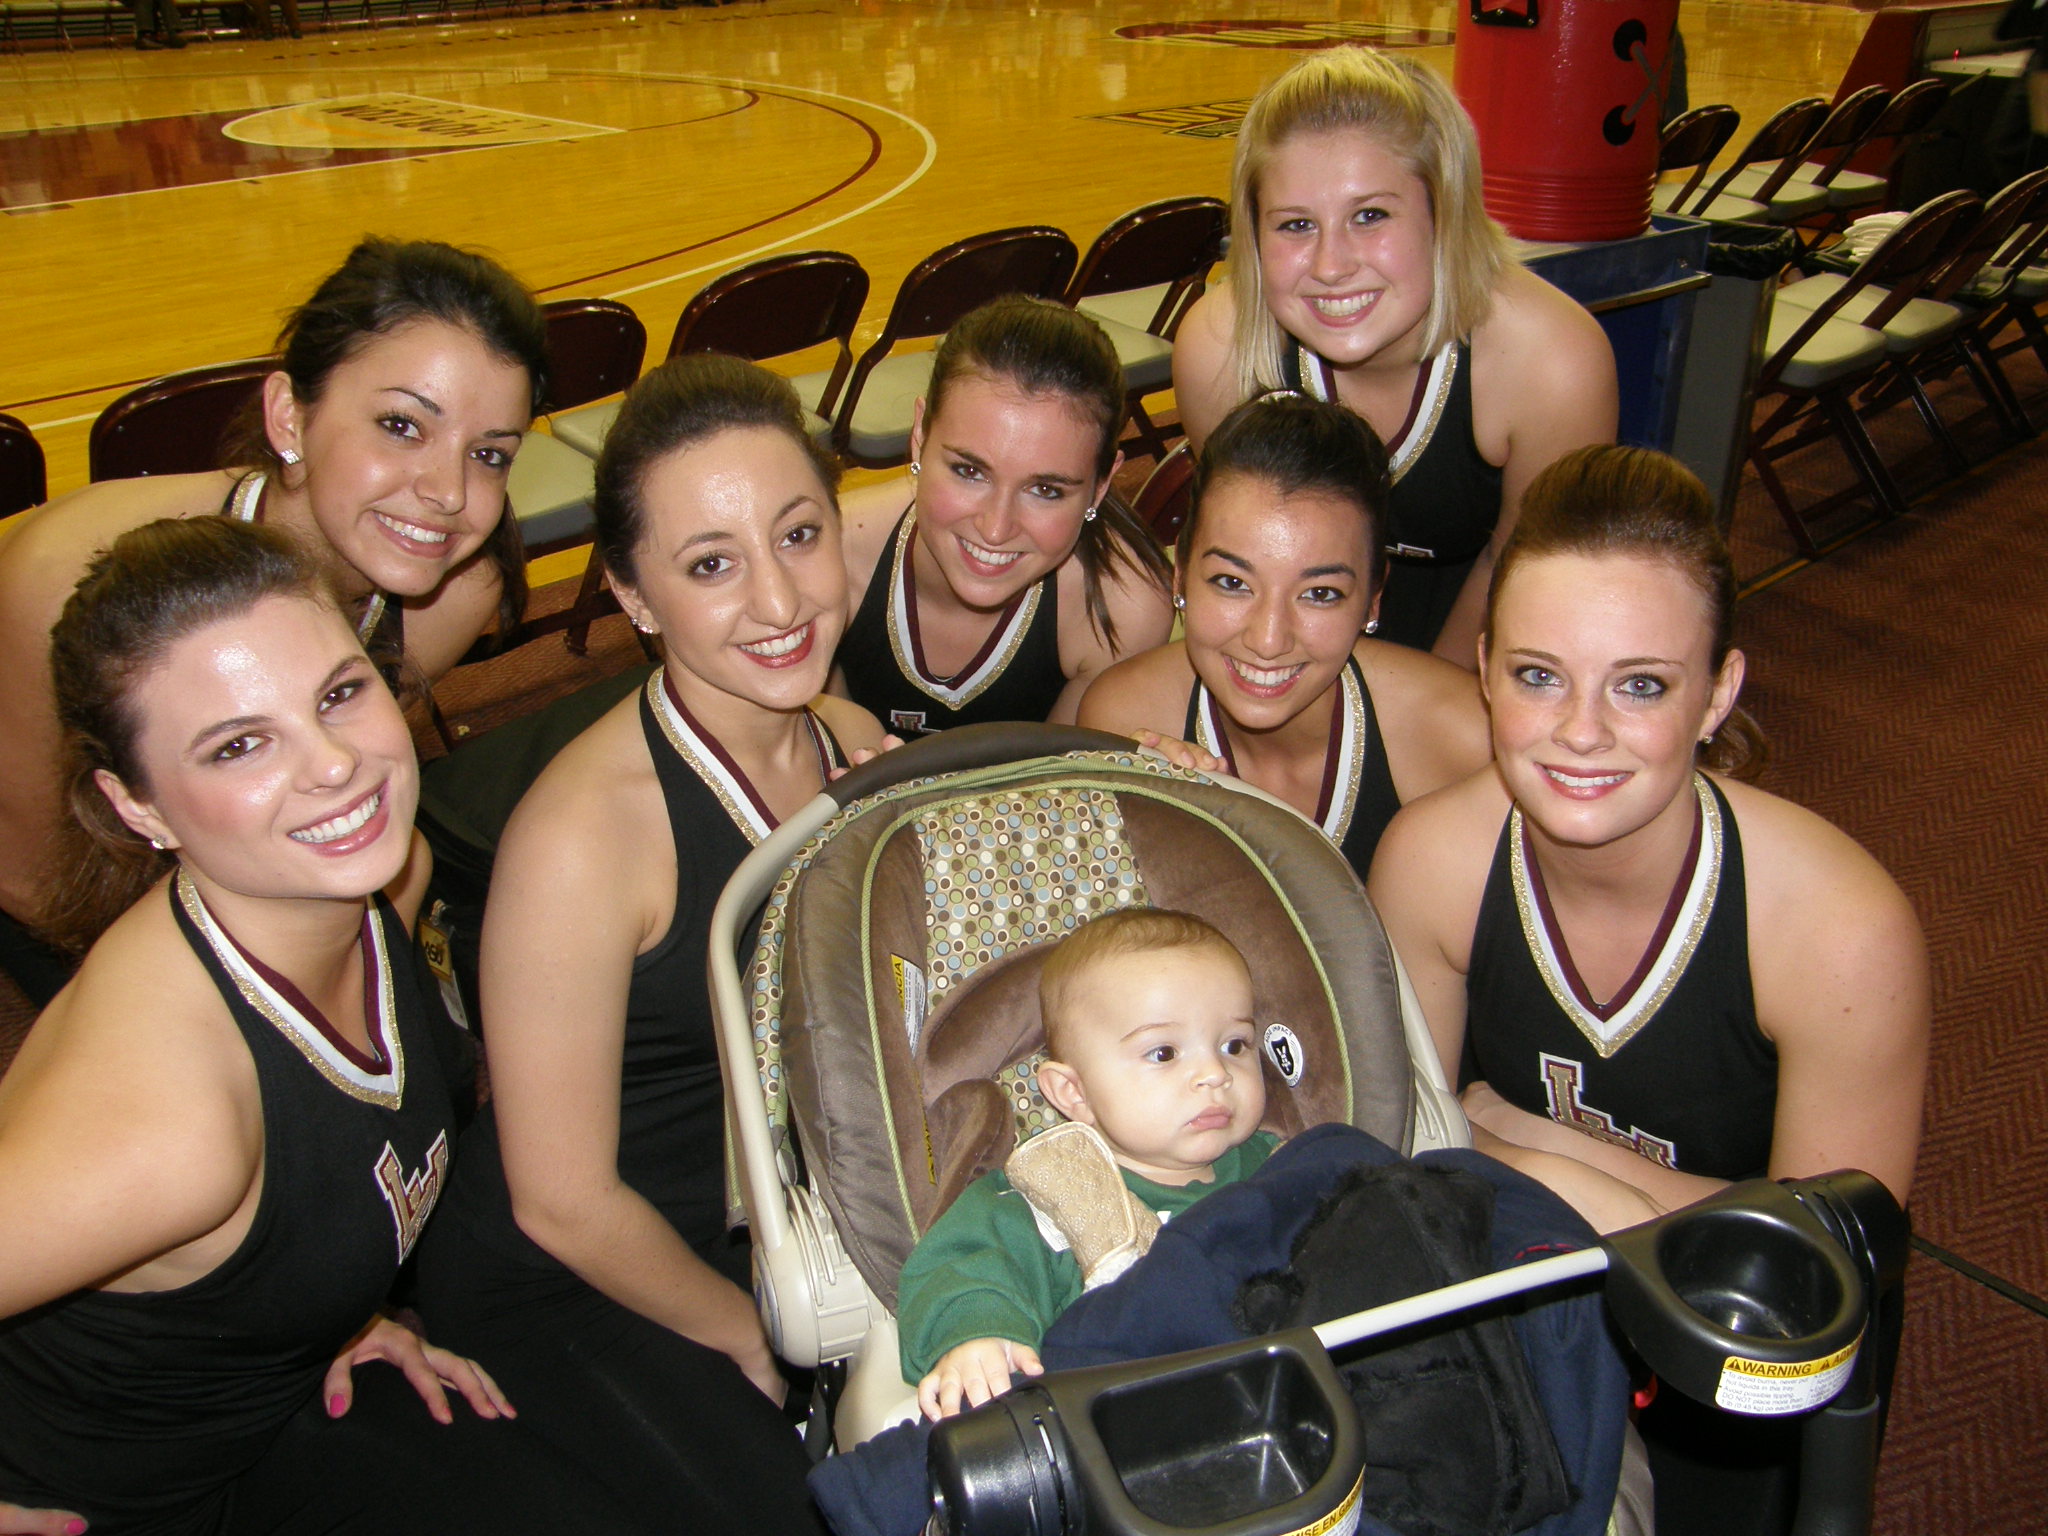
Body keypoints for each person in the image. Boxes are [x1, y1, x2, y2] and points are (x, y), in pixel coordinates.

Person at [0, 518, 622, 1535]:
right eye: (239, 744)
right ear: (138, 806)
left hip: (263, 1411)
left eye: (338, 693)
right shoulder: (171, 1129)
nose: (334, 764)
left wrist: (316, 1308)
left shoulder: (389, 880)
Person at [1367, 445, 1930, 1536]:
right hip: (1527, 1292)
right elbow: (1410, 1168)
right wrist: (1523, 1165)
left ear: (1716, 692)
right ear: (1481, 670)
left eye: (1639, 685)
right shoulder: (1430, 862)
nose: (1580, 730)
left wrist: (1536, 1146)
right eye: (1538, 676)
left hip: (1742, 1364)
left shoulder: (1836, 929)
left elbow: (1806, 1279)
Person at [413, 356, 887, 1531]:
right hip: (584, 1274)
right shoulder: (582, 840)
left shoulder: (843, 731)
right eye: (711, 565)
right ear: (632, 595)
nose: (778, 603)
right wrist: (760, 1344)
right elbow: (561, 1200)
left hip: (773, 1225)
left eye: (799, 534)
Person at [0, 237, 546, 1009]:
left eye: (489, 453)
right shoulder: (62, 586)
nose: (450, 492)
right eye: (401, 426)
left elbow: (343, 784)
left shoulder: (457, 588)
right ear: (289, 418)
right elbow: (42, 887)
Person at [1171, 47, 1618, 664]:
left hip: (1479, 649)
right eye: (1295, 226)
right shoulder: (1218, 349)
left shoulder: (1551, 363)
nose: (1331, 266)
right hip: (1283, 642)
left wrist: (1414, 711)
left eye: (1371, 215)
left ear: (1445, 213)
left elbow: (1527, 582)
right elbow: (1234, 566)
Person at [1078, 391, 1490, 881]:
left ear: (1374, 598)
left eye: (1319, 593)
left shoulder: (1458, 740)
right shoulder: (1124, 717)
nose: (1269, 640)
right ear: (1180, 575)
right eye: (1233, 583)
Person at [897, 907, 1279, 1420]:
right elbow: (964, 1270)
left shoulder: (1283, 1170)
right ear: (1073, 1093)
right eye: (1164, 1053)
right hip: (1137, 1416)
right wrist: (979, 1337)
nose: (1214, 1072)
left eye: (1235, 1045)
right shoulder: (1039, 1199)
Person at [832, 295, 1174, 734]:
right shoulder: (831, 554)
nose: (995, 528)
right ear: (919, 435)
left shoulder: (1124, 608)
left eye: (1046, 490)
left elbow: (1061, 788)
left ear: (1101, 486)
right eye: (969, 471)